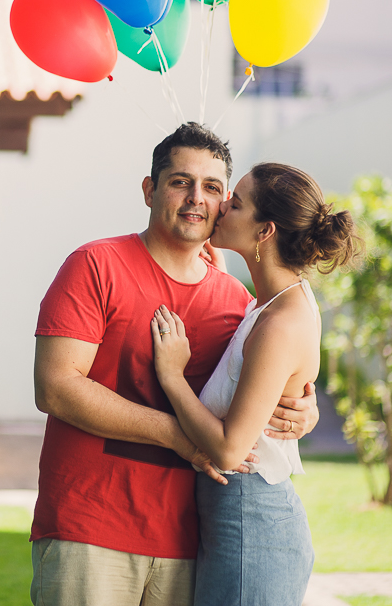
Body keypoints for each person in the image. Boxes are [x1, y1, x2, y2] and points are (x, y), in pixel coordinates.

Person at [31, 123, 320, 606]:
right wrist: (174, 435)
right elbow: (56, 388)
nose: (196, 199)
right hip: (91, 528)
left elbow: (255, 389)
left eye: (213, 188)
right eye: (180, 182)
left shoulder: (237, 301)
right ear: (150, 190)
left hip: (192, 542)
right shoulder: (95, 264)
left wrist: (301, 412)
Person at [151, 162, 357, 606]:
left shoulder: (280, 325)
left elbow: (229, 450)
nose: (222, 206)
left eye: (237, 203)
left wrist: (171, 377)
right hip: (238, 525)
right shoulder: (276, 303)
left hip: (252, 532)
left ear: (265, 232)